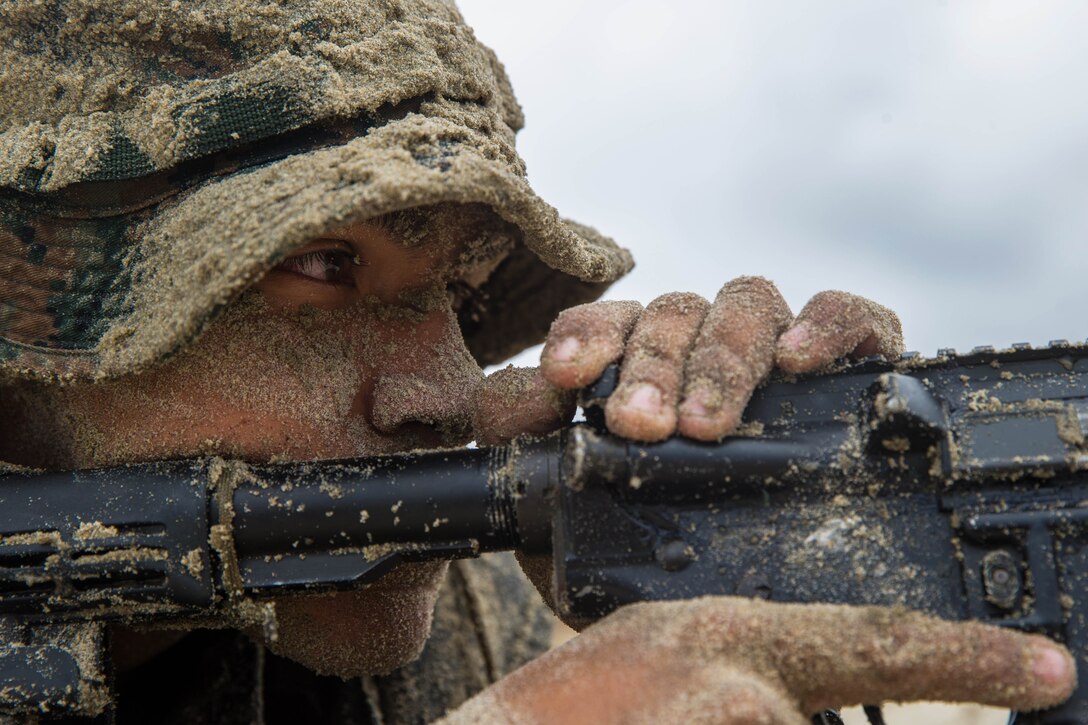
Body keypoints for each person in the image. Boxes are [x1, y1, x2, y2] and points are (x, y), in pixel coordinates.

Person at [0, 1, 1074, 723]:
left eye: (461, 295)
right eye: (324, 265)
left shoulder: (462, 623)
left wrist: (744, 580)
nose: (446, 389)